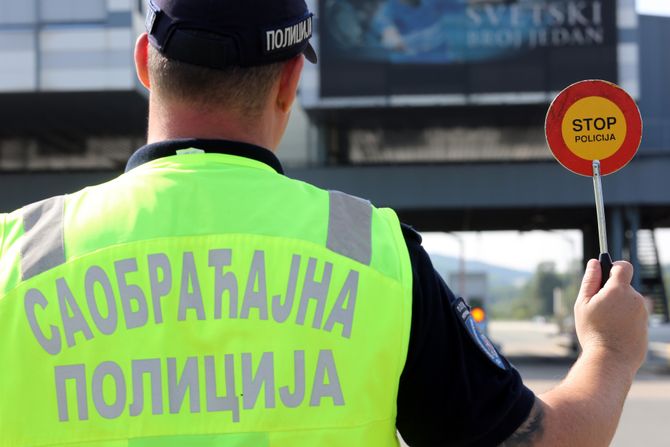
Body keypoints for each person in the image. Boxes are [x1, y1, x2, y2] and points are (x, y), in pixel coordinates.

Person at [0, 0, 648, 446]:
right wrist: (611, 351)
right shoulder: (374, 253)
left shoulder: (17, 254)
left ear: (145, 63)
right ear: (289, 83)